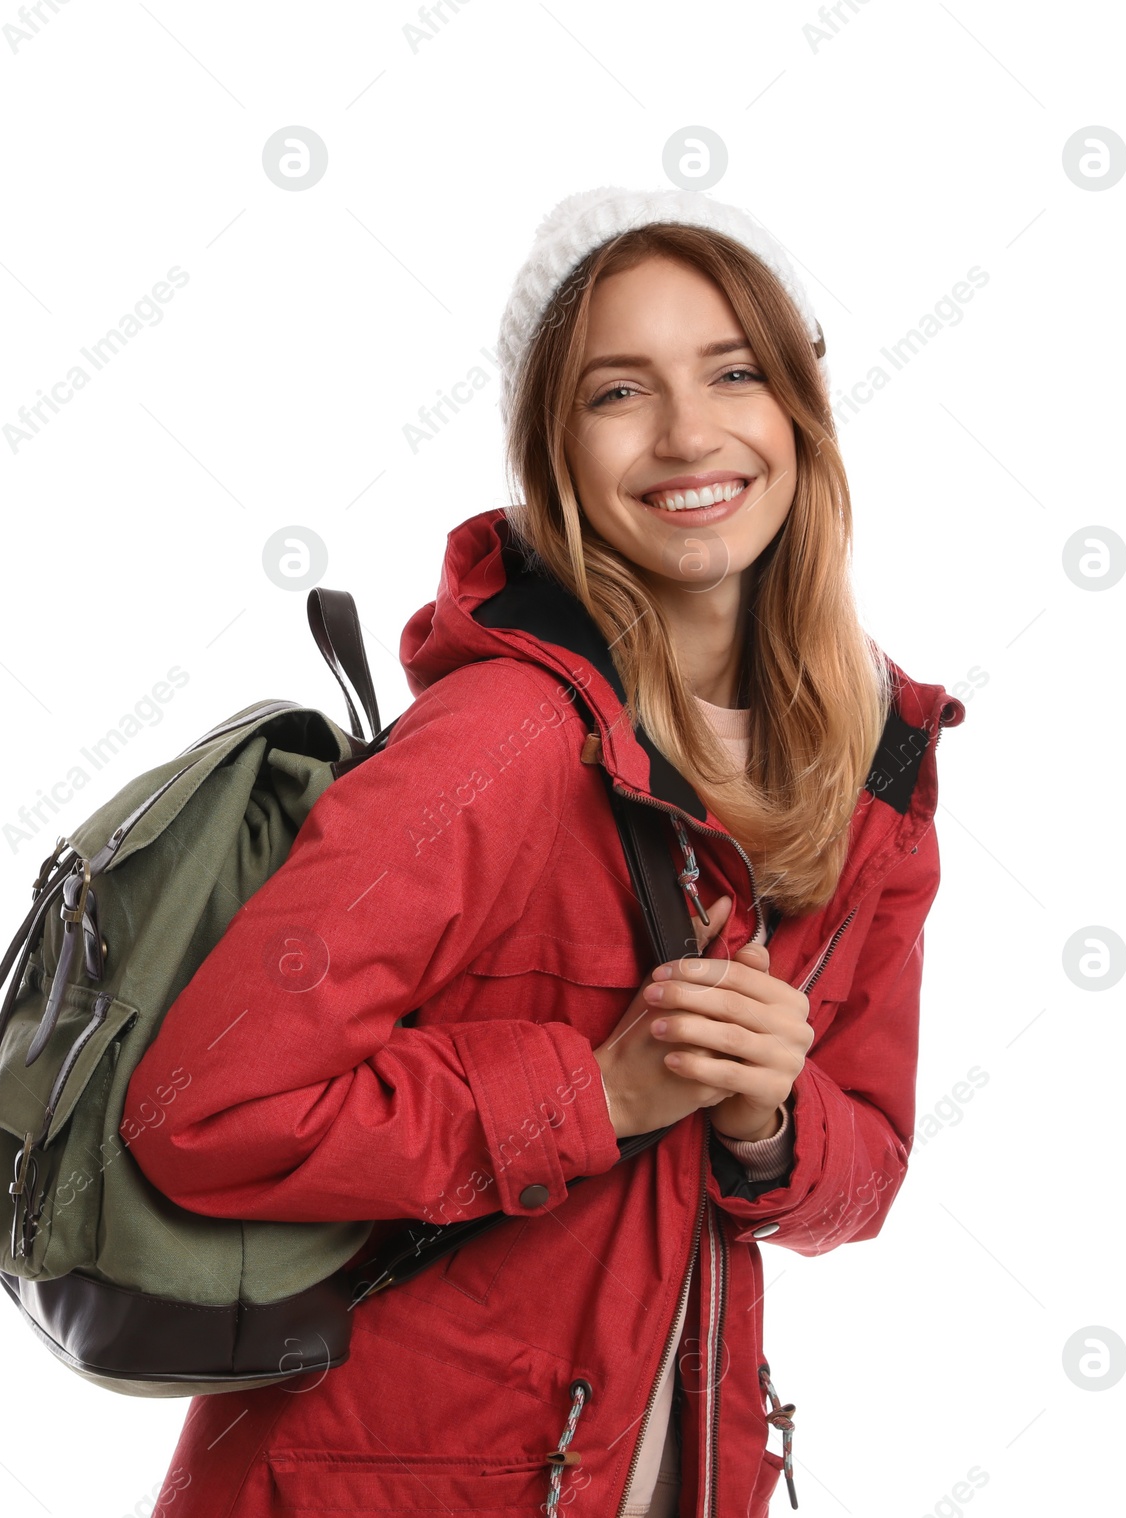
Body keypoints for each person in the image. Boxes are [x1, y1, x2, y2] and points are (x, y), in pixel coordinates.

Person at [122, 184, 967, 1517]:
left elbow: (860, 1177)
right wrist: (595, 1092)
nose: (691, 433)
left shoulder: (873, 764)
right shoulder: (500, 738)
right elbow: (205, 1111)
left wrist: (772, 1119)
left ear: (799, 409)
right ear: (551, 451)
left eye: (736, 372)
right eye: (618, 391)